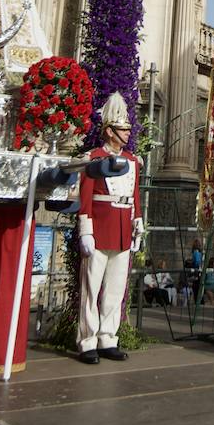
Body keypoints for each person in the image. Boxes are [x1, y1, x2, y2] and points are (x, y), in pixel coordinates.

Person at [76, 93, 142, 364]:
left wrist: (138, 226)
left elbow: (135, 196)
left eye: (128, 129)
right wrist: (86, 230)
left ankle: (107, 337)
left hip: (123, 228)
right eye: (123, 130)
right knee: (92, 287)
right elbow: (86, 196)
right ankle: (87, 340)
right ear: (110, 131)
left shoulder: (133, 160)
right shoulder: (93, 158)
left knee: (116, 288)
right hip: (100, 226)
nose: (127, 134)